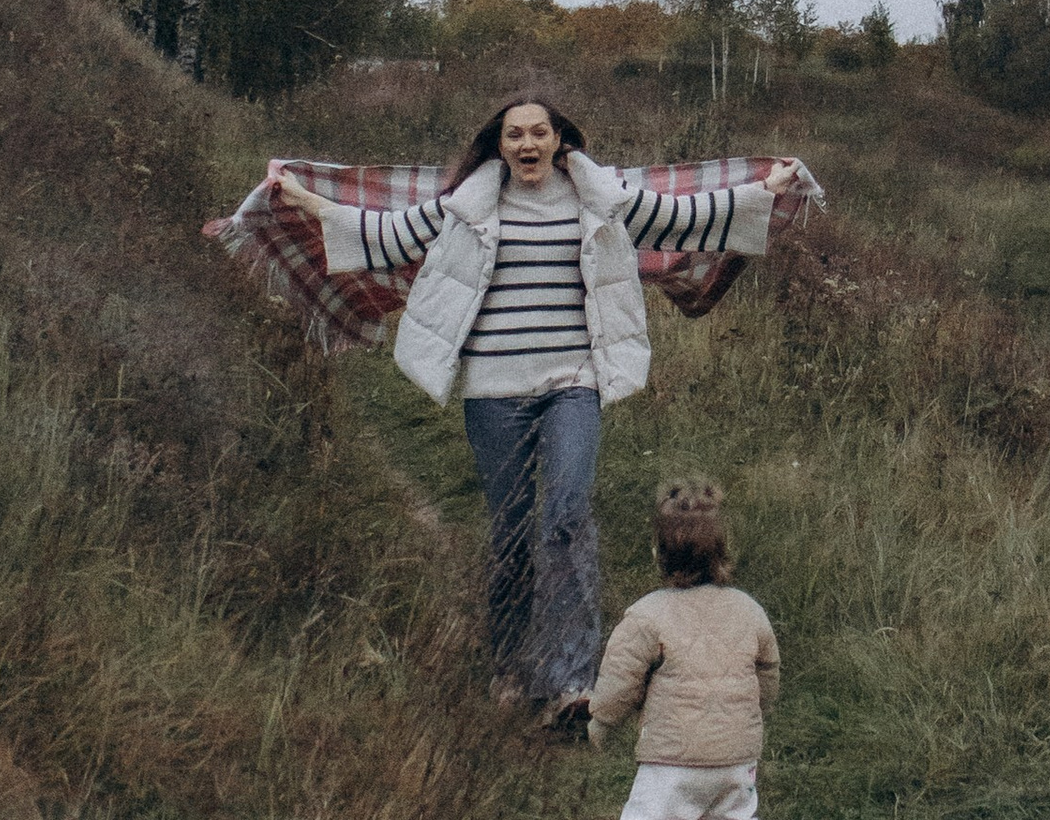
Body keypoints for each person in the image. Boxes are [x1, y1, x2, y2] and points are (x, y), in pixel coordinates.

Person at [270, 94, 802, 721]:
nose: (527, 144)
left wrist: (765, 191)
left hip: (573, 383)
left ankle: (572, 681)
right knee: (512, 530)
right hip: (493, 391)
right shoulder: (468, 205)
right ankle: (509, 662)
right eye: (515, 134)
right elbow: (387, 236)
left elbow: (682, 218)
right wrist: (304, 200)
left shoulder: (600, 198)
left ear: (559, 141)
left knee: (567, 516)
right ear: (500, 145)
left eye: (539, 133)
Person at [587, 478, 780, 820]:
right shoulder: (748, 610)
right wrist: (756, 712)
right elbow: (767, 672)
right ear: (725, 551)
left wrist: (600, 723)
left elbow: (620, 681)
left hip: (670, 759)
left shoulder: (648, 615)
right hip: (735, 756)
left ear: (658, 552)